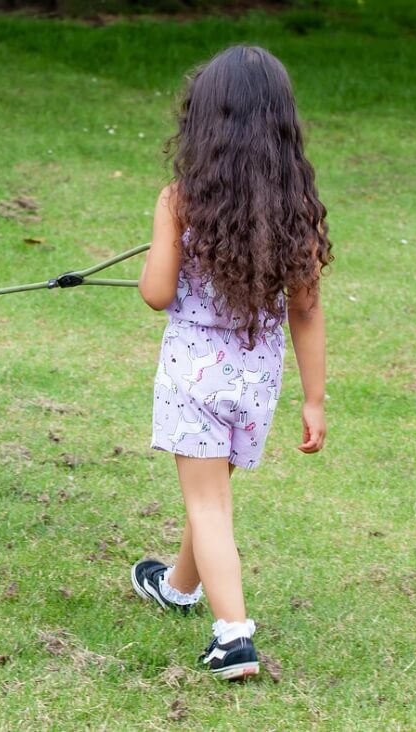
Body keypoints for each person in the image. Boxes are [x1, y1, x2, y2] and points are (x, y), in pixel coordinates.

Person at [131, 45, 331, 682]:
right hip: (256, 375)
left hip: (195, 375)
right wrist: (315, 398)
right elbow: (306, 310)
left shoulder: (180, 200)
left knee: (210, 505)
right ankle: (178, 586)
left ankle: (233, 637)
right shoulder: (293, 209)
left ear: (204, 122)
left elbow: (157, 293)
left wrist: (162, 242)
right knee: (210, 492)